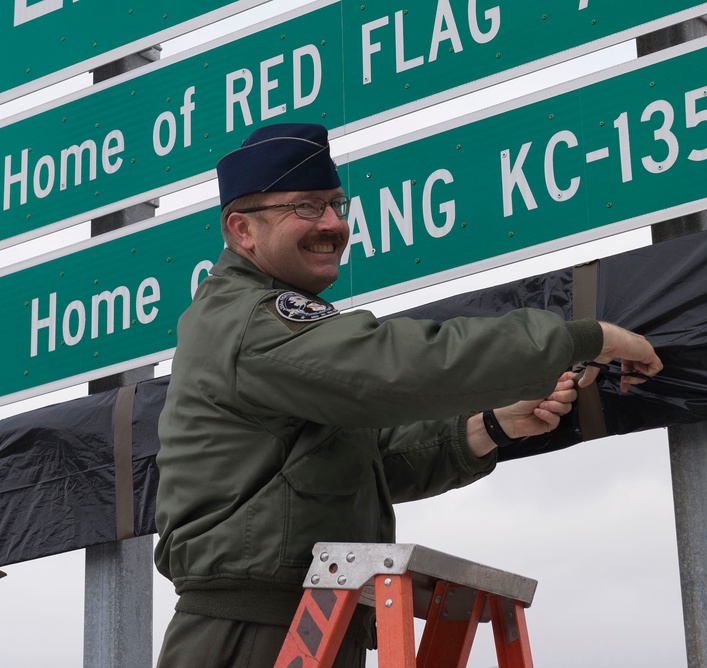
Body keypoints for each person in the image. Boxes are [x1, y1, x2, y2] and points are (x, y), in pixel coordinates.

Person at [154, 123, 662, 667]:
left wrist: (490, 426)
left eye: (336, 204)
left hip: (313, 625)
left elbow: (355, 462)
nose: (333, 224)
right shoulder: (254, 317)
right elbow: (399, 368)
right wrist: (581, 338)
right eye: (305, 207)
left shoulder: (269, 331)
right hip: (251, 636)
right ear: (243, 230)